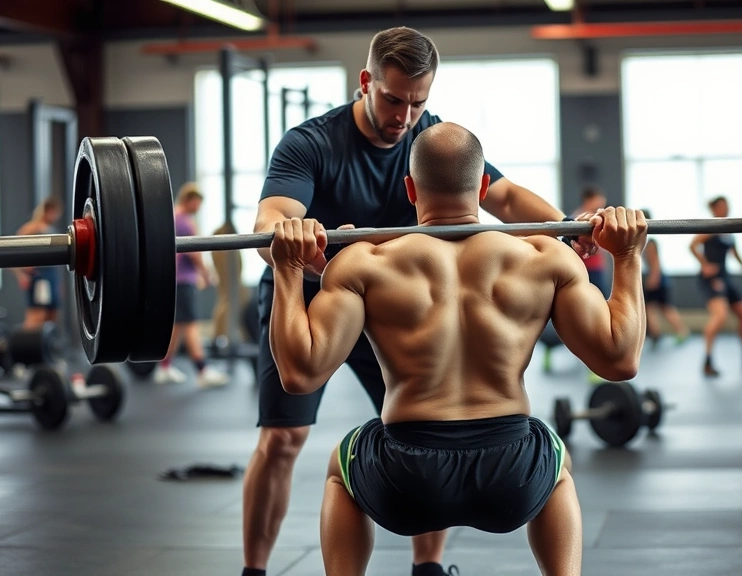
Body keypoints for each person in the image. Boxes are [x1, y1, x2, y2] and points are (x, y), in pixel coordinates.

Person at [244, 26, 600, 576]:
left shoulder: (431, 140)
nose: (405, 116)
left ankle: (427, 569)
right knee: (284, 437)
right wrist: (296, 243)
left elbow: (501, 195)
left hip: (394, 298)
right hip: (314, 290)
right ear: (366, 83)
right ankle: (255, 569)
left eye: (418, 102)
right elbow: (271, 218)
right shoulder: (312, 142)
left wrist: (564, 226)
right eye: (392, 99)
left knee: (432, 412)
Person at [268, 123, 647, 576]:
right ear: (484, 186)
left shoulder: (364, 261)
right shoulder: (546, 256)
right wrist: (627, 257)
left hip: (405, 480)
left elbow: (300, 373)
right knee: (556, 460)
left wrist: (287, 267)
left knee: (340, 469)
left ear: (409, 190)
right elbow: (620, 360)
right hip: (512, 476)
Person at [153, 183, 230, 388]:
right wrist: (206, 274)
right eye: (197, 203)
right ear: (189, 200)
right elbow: (194, 252)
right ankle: (203, 371)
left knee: (177, 327)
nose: (198, 208)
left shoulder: (172, 218)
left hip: (175, 281)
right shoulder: (184, 221)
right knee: (191, 325)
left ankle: (164, 367)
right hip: (183, 282)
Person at [690, 196, 742, 377]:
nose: (726, 209)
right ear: (715, 209)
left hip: (725, 277)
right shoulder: (710, 228)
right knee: (720, 316)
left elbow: (735, 254)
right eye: (722, 206)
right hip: (712, 278)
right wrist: (704, 265)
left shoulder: (728, 230)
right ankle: (707, 361)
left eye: (727, 205)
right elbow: (693, 245)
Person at [641, 209, 690, 347]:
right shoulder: (646, 241)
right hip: (658, 278)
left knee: (660, 308)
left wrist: (653, 278)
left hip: (657, 279)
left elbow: (655, 263)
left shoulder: (650, 242)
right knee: (656, 307)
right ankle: (660, 333)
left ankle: (677, 332)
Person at [14, 196, 64, 330]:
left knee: (52, 314)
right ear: (48, 211)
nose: (57, 216)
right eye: (55, 212)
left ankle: (45, 347)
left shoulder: (49, 228)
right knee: (37, 314)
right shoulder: (32, 227)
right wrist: (22, 274)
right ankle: (27, 347)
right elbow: (13, 249)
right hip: (40, 277)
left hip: (51, 275)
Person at [573, 186, 609, 297]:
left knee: (602, 298)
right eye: (598, 200)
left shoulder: (597, 218)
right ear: (590, 200)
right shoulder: (577, 218)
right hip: (584, 267)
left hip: (596, 266)